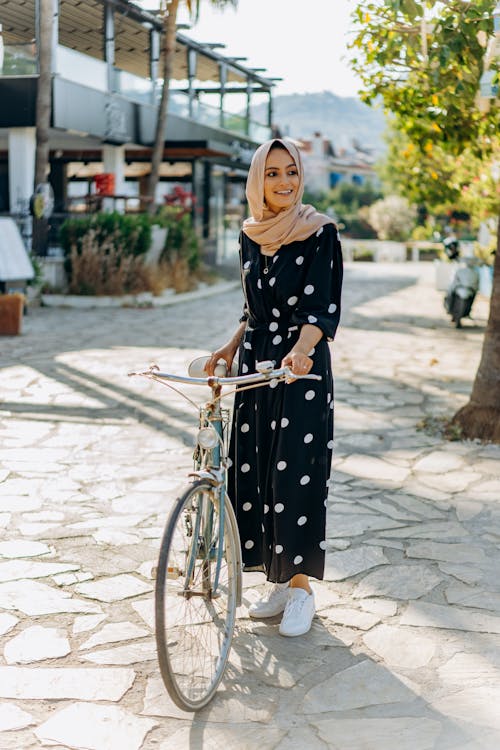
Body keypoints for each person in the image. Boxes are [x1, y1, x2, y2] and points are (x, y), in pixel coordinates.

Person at [205, 138, 343, 637]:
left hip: (300, 369)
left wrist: (303, 349)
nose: (284, 182)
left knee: (295, 477)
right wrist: (227, 348)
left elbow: (322, 308)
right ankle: (280, 583)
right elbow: (253, 311)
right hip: (256, 363)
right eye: (272, 173)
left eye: (291, 172)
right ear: (257, 180)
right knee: (256, 470)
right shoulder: (250, 235)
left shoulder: (319, 232)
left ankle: (302, 588)